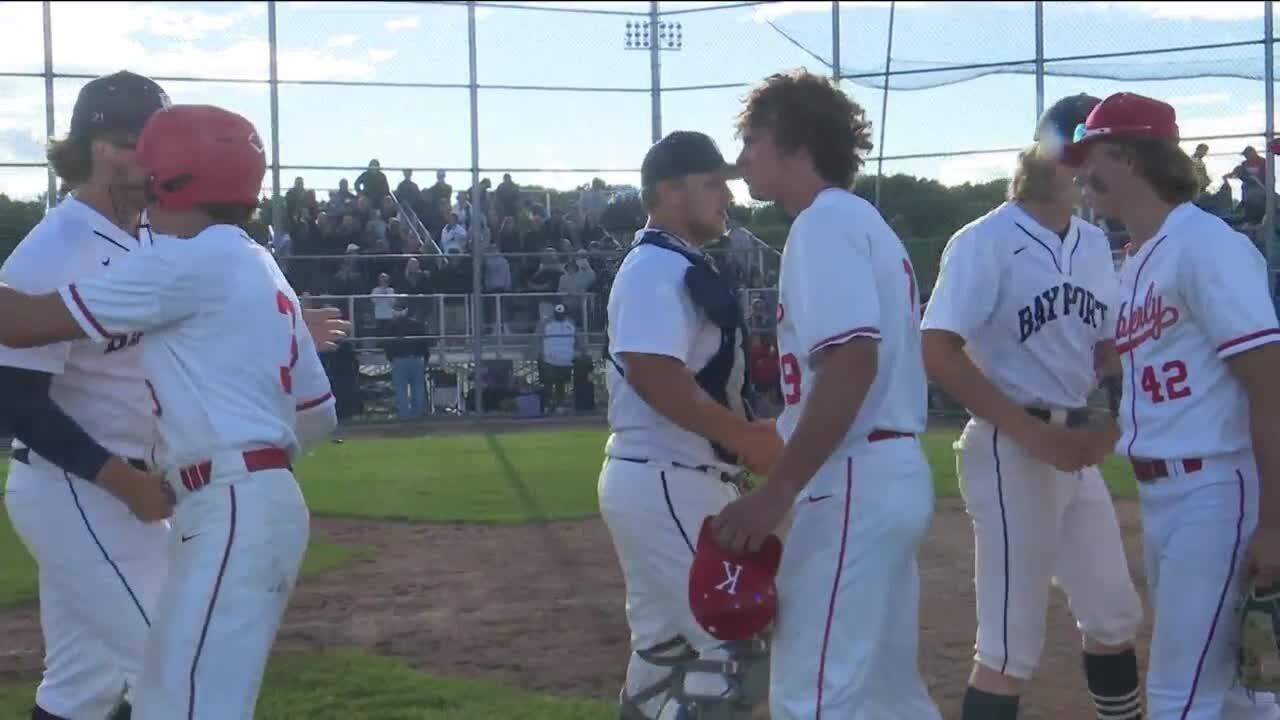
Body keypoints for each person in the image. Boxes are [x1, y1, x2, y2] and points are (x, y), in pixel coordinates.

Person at [0, 103, 338, 719]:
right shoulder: (256, 263)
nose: (144, 178)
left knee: (177, 694)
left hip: (217, 497)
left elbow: (20, 322)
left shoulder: (177, 259)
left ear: (174, 181)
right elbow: (318, 415)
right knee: (90, 685)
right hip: (203, 493)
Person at [709, 68, 941, 719]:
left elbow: (850, 363)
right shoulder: (861, 222)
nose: (742, 159)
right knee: (886, 696)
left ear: (792, 139)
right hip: (881, 471)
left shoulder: (823, 225)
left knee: (813, 695)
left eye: (752, 140)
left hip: (852, 478)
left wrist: (779, 488)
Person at [920, 94, 1143, 720]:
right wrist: (1028, 432)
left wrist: (1113, 385)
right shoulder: (985, 240)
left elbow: (1101, 347)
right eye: (1093, 151)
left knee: (1113, 614)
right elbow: (937, 350)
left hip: (1074, 448)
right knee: (1009, 648)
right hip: (1011, 447)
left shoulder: (1096, 245)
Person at [1068, 91, 1280, 720]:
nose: (1083, 174)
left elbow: (1268, 382)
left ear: (1131, 158)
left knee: (1177, 694)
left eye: (1095, 156)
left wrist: (1273, 522)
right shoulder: (1138, 259)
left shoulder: (1204, 243)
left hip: (1215, 490)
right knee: (1239, 693)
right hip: (1169, 496)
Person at [0, 69, 174, 720]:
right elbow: (13, 399)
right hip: (78, 489)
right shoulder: (52, 250)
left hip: (126, 485)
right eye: (144, 144)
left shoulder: (150, 235)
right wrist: (122, 484)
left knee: (82, 689)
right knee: (176, 665)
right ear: (101, 146)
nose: (158, 160)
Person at [598, 130, 782, 719]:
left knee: (665, 654)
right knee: (735, 646)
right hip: (669, 474)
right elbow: (654, 373)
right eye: (712, 183)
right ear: (667, 191)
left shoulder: (673, 262)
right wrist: (744, 438)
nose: (726, 195)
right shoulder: (653, 265)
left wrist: (746, 433)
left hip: (668, 476)